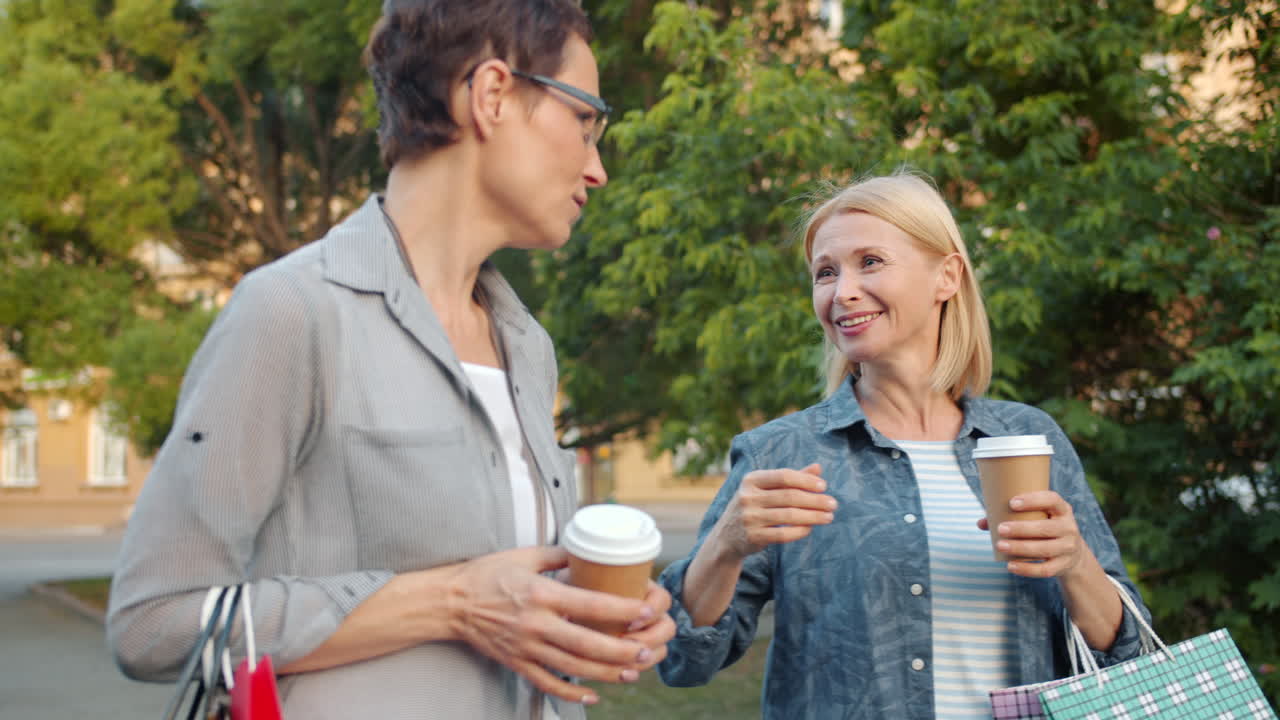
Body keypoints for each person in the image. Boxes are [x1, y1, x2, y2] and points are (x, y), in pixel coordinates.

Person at [106, 2, 674, 718]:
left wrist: (590, 607)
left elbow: (515, 594)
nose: (597, 169)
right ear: (492, 94)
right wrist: (454, 602)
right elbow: (152, 623)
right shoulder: (291, 311)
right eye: (585, 122)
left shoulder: (527, 346)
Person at [655, 170, 1152, 719]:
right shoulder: (783, 453)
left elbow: (1124, 652)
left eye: (870, 262)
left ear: (947, 276)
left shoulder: (1026, 440)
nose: (842, 290)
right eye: (825, 272)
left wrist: (1075, 562)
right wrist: (725, 544)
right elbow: (682, 660)